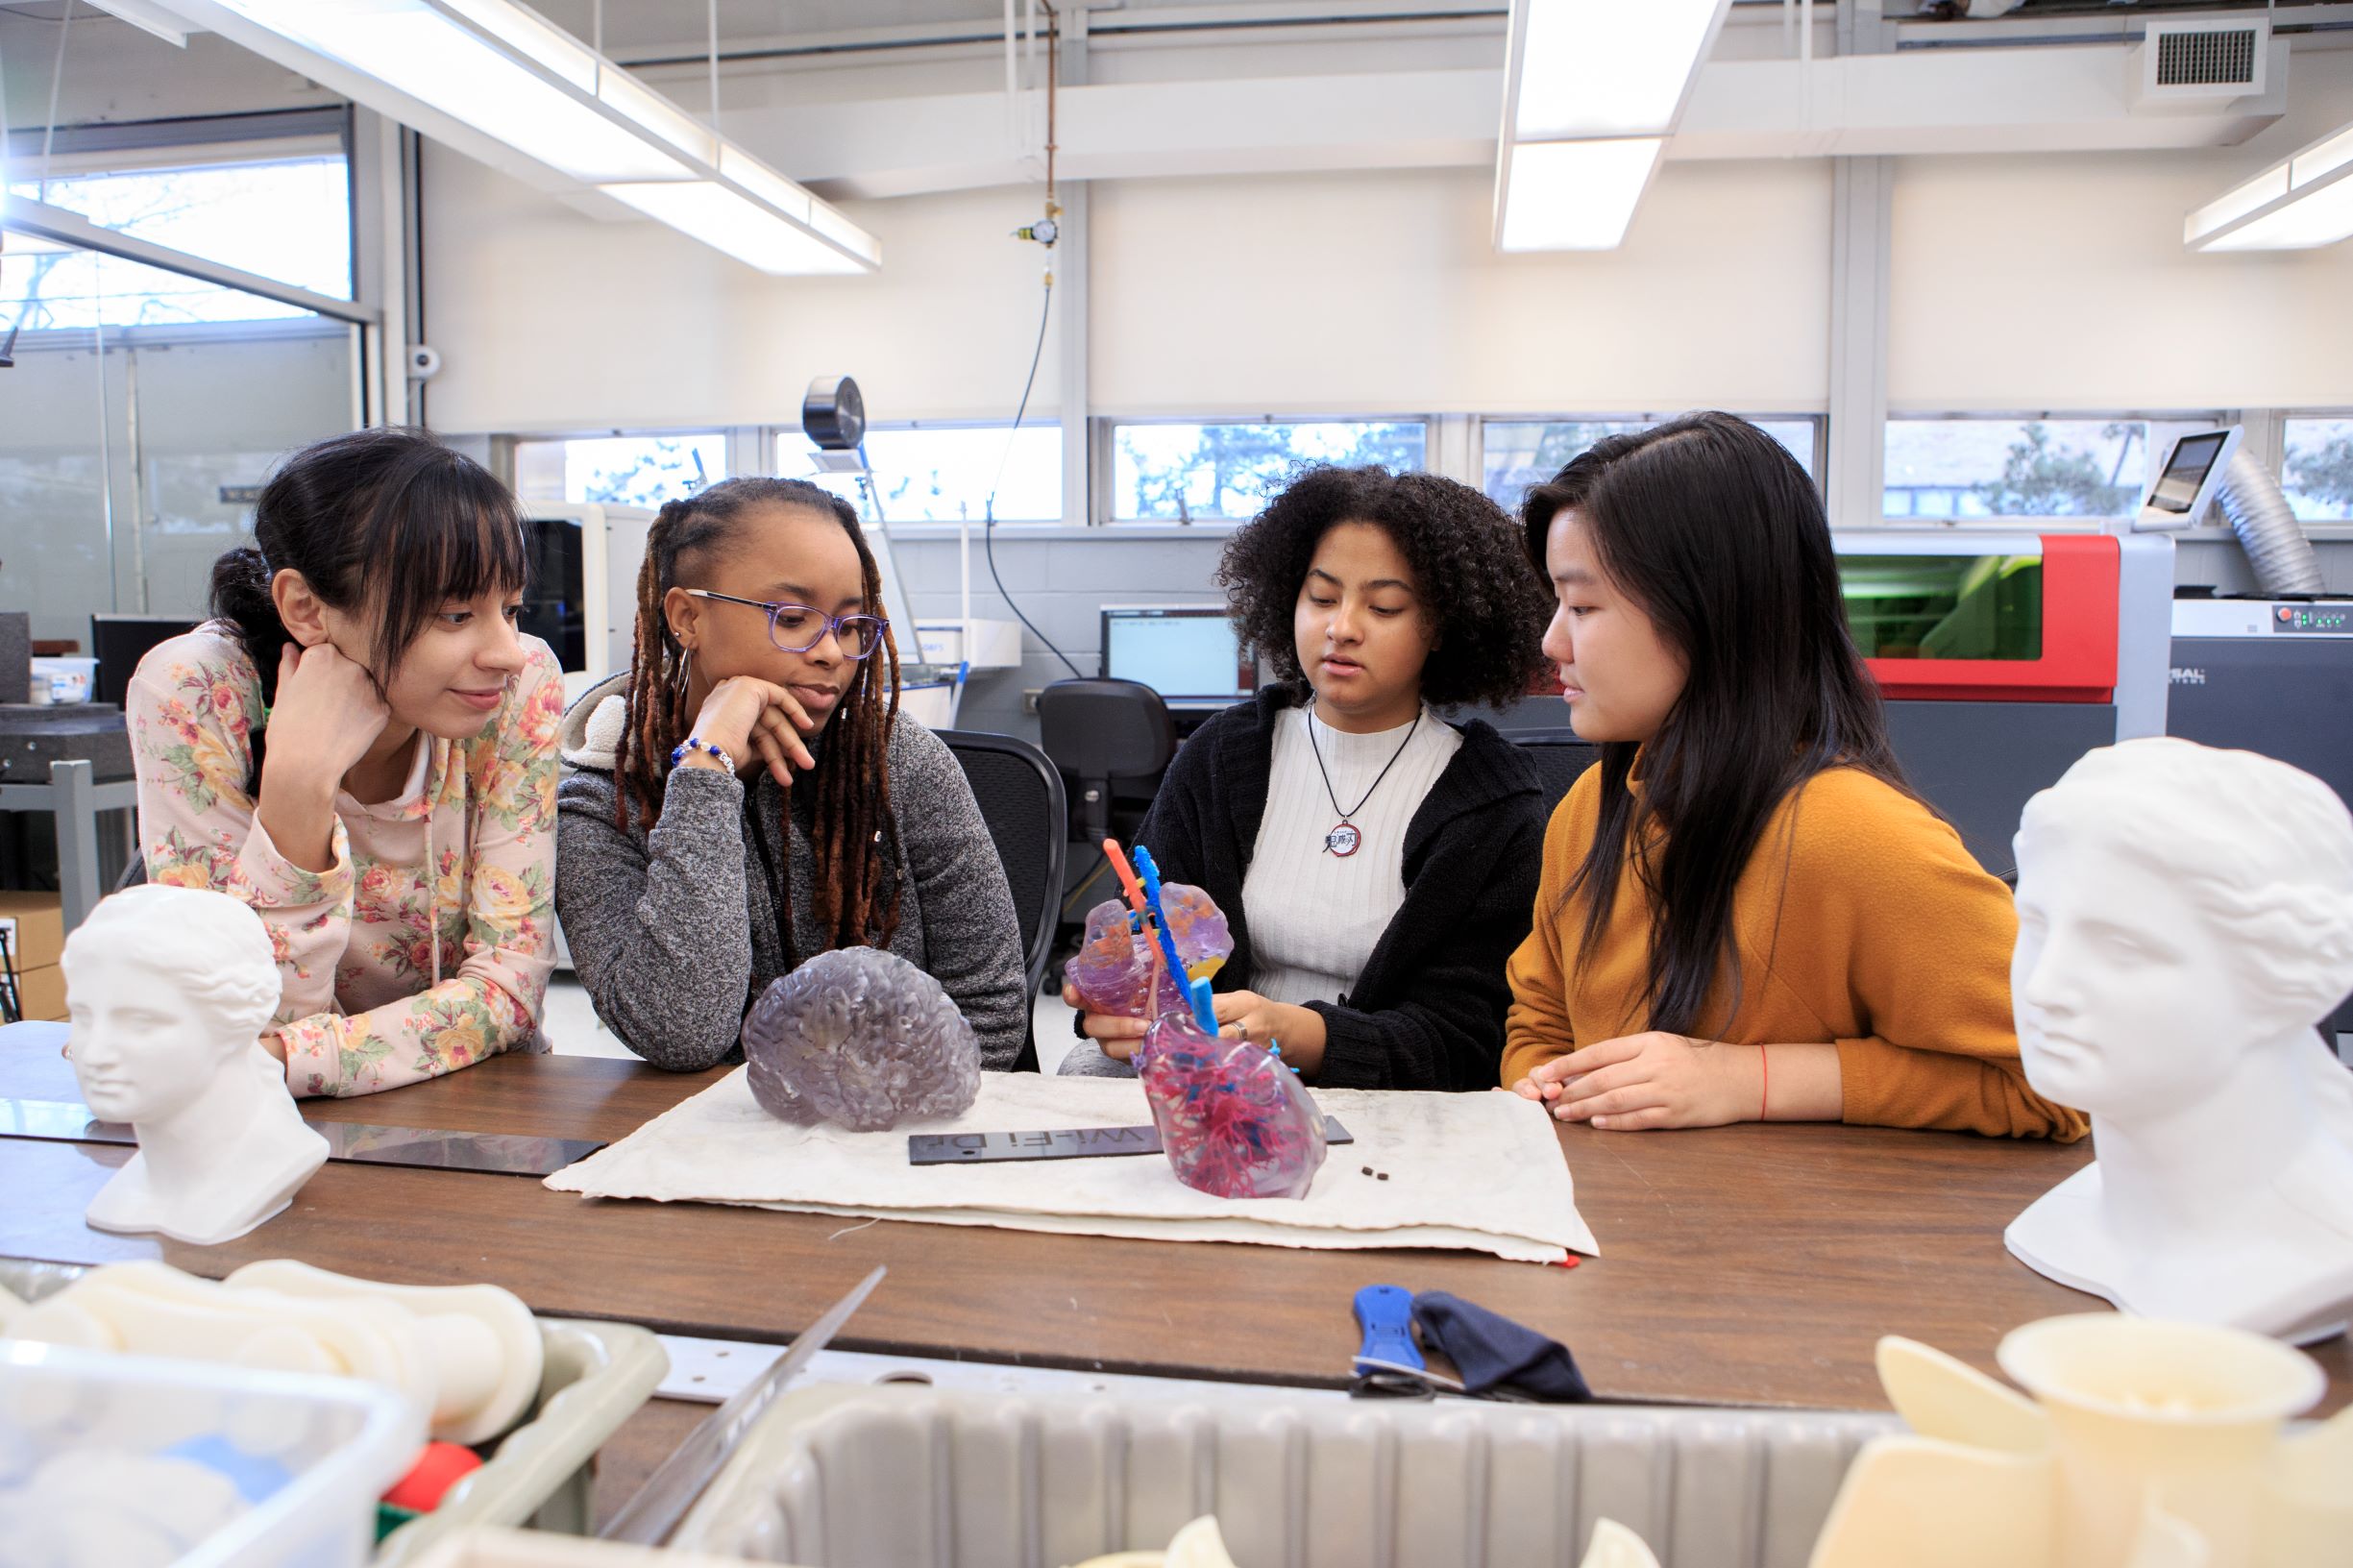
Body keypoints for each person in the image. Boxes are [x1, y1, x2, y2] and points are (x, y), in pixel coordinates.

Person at [1502, 412, 2082, 1139]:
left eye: (1583, 605)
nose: (1552, 639)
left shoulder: (1859, 838)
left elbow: (2063, 1086)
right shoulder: (1590, 809)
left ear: (1708, 614)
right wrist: (1545, 1086)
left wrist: (1754, 1078)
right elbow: (1539, 1018)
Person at [1062, 465, 1552, 1090]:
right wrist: (1116, 998)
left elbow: (1466, 1039)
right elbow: (1145, 932)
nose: (1340, 627)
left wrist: (1298, 1036)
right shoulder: (1220, 757)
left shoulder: (1493, 801)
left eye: (1383, 606)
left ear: (1443, 626)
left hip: (1390, 1103)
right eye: (1321, 597)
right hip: (1207, 1080)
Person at [128, 427, 562, 1098]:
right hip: (260, 1125)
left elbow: (510, 993)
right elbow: (225, 1017)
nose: (505, 649)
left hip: (474, 1097)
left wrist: (280, 1058)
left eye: (510, 608)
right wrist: (299, 785)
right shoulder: (199, 693)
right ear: (306, 608)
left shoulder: (520, 685)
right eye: (455, 614)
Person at [556, 477, 1028, 1070]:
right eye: (793, 616)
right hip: (701, 1137)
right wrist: (707, 769)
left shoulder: (897, 760)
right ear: (687, 617)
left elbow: (990, 1015)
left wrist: (851, 1127)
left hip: (904, 1131)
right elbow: (679, 1033)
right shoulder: (603, 793)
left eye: (851, 625)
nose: (832, 651)